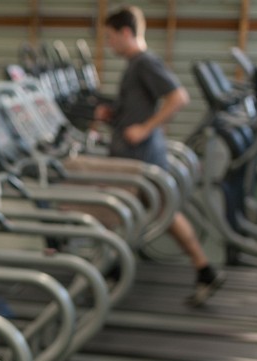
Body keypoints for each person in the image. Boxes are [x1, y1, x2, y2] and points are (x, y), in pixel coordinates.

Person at [94, 5, 225, 306]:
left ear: (126, 33)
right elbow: (140, 107)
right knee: (155, 212)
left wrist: (145, 128)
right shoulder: (135, 65)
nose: (109, 44)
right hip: (135, 155)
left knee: (114, 207)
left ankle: (202, 270)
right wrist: (115, 115)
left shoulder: (144, 63)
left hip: (140, 157)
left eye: (111, 37)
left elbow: (178, 97)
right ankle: (202, 270)